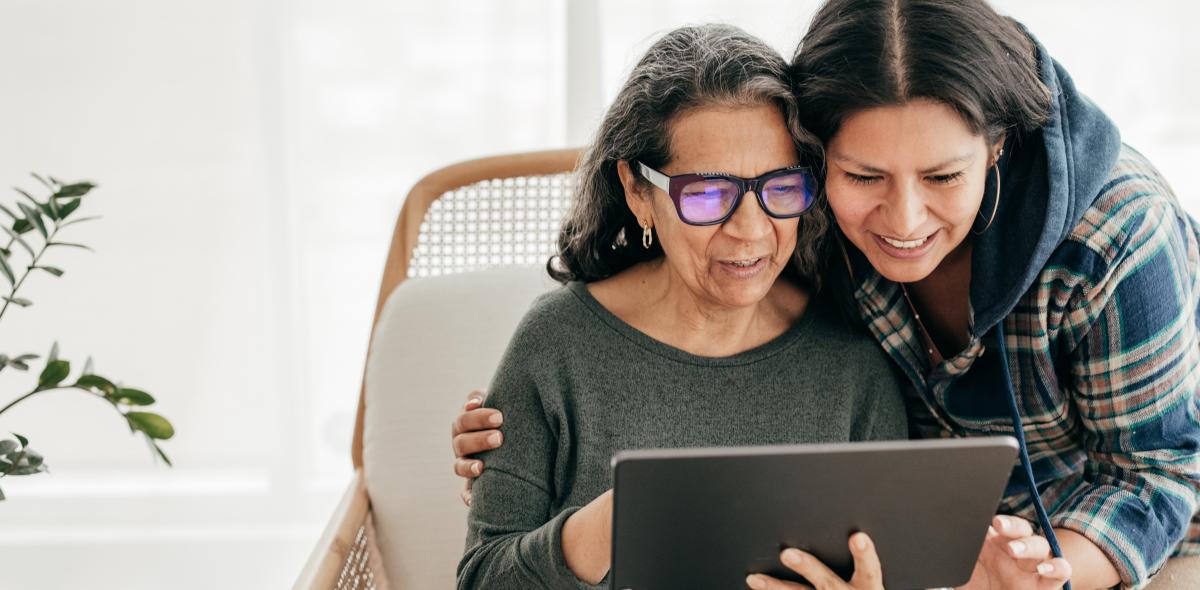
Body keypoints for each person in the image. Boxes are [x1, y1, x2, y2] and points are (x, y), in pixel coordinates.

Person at [454, 1, 1200, 588]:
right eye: (863, 176)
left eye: (942, 176)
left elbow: (1161, 470)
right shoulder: (802, 236)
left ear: (996, 147)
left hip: (1106, 546)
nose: (903, 221)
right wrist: (569, 494)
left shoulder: (1114, 241)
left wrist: (1022, 575)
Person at [455, 24, 913, 590]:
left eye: (780, 187)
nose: (751, 231)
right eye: (707, 194)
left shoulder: (850, 360)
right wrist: (622, 516)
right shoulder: (556, 344)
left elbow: (898, 568)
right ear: (638, 191)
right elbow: (482, 580)